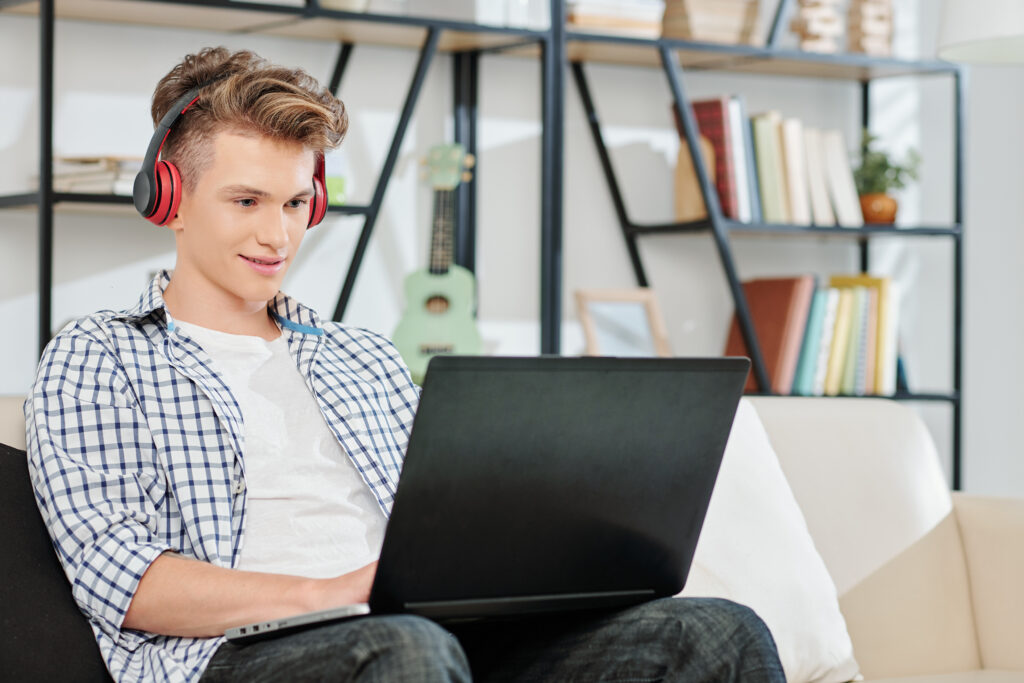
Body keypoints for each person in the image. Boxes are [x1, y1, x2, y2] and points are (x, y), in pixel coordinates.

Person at [25, 47, 785, 683]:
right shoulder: (99, 357)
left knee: (717, 634)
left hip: (431, 638)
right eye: (247, 201)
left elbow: (446, 526)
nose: (277, 234)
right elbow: (122, 577)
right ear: (170, 198)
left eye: (295, 204)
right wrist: (333, 593)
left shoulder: (365, 356)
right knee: (409, 651)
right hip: (240, 655)